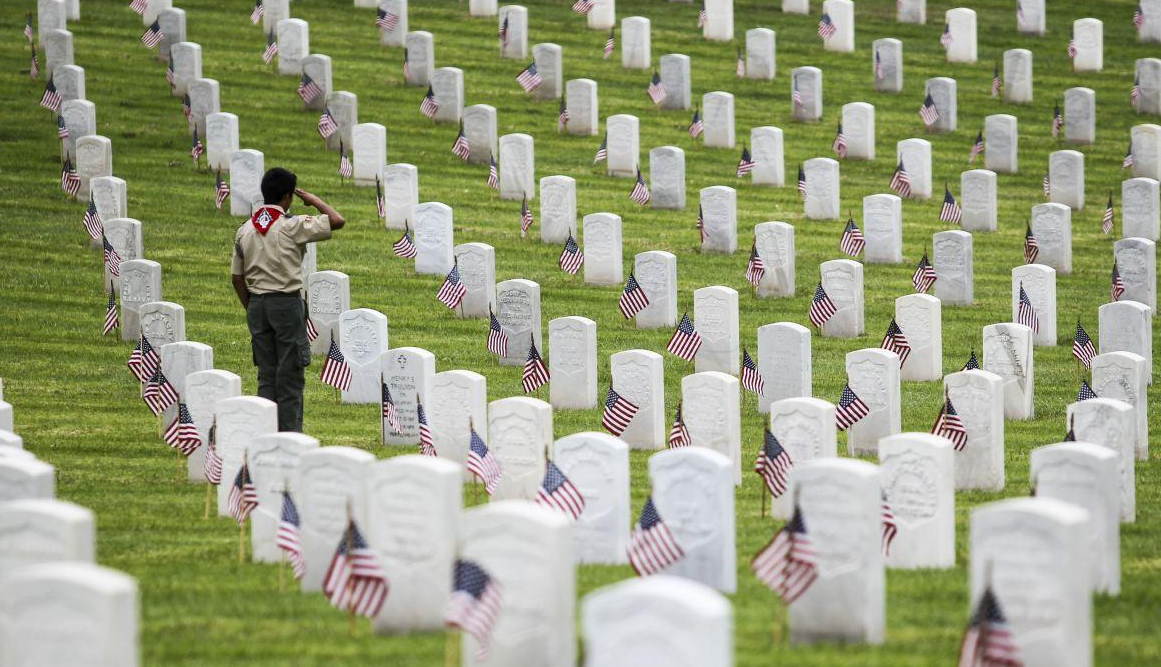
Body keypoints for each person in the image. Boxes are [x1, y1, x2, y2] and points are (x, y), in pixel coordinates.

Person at [231, 167, 345, 431]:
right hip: (286, 304)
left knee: (266, 375)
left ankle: (266, 432)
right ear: (287, 196)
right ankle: (290, 437)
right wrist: (313, 200)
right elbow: (336, 220)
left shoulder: (245, 229)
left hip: (257, 305)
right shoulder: (292, 226)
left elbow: (237, 278)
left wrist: (252, 307)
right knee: (290, 375)